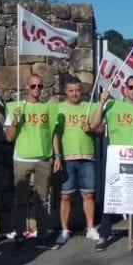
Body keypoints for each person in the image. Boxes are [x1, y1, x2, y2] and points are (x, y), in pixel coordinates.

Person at [90, 75, 133, 252]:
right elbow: (94, 125)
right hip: (117, 160)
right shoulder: (113, 106)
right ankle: (104, 236)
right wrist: (101, 104)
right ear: (125, 89)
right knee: (111, 198)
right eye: (131, 87)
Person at [4, 74, 60, 251]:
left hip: (43, 158)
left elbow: (53, 134)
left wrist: (57, 156)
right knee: (20, 200)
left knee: (43, 201)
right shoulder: (16, 107)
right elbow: (9, 137)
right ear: (26, 87)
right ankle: (20, 235)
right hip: (22, 158)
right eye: (33, 86)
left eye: (40, 86)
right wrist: (14, 121)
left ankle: (42, 236)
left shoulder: (48, 108)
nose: (37, 89)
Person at [52, 76, 101, 249]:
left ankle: (90, 228)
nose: (74, 94)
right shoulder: (58, 108)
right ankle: (64, 230)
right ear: (65, 91)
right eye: (71, 90)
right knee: (65, 196)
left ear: (82, 91)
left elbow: (102, 128)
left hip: (86, 157)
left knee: (88, 194)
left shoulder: (90, 107)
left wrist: (92, 128)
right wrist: (57, 155)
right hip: (66, 158)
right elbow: (54, 134)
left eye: (77, 90)